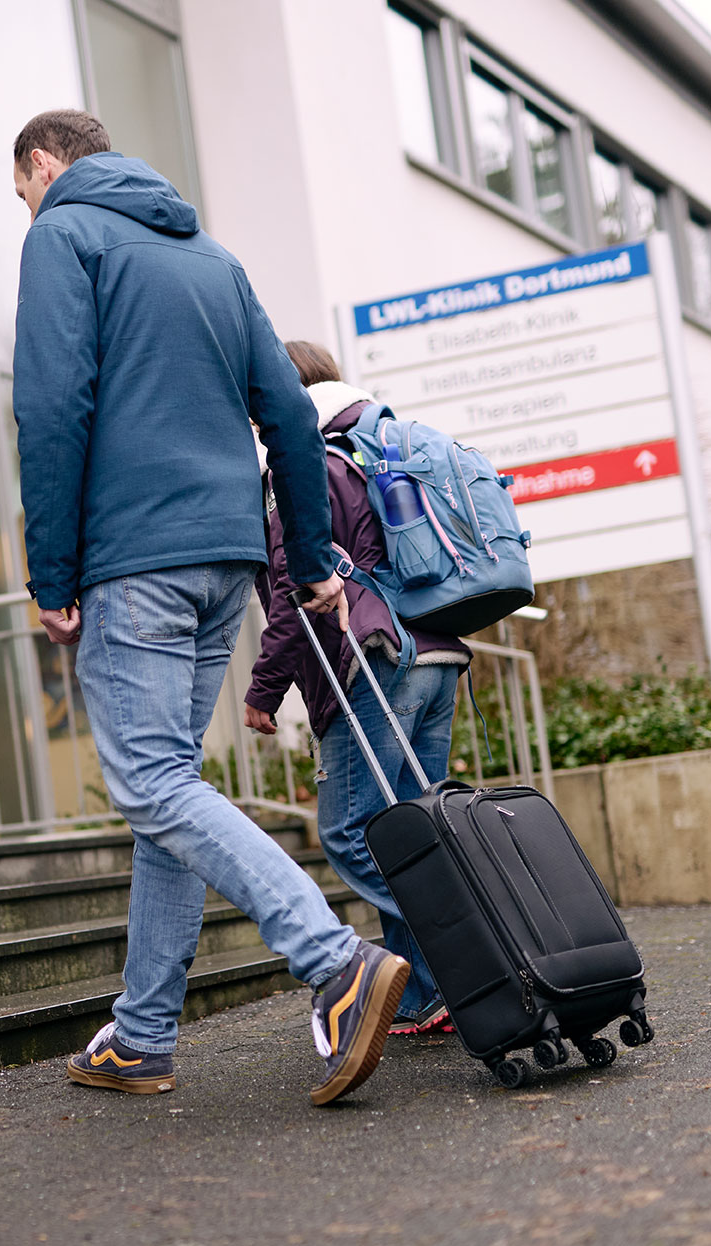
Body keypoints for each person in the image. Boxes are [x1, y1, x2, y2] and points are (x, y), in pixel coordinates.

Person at [10, 108, 408, 1106]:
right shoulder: (214, 259)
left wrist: (51, 574)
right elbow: (291, 414)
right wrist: (307, 558)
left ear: (43, 165)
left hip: (134, 555)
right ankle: (141, 1035)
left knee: (150, 782)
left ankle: (335, 960)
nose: (26, 208)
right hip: (226, 557)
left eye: (22, 191)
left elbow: (52, 406)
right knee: (170, 790)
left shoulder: (64, 234)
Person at [246, 340, 471, 1035]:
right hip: (434, 653)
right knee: (413, 829)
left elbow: (293, 590)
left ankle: (469, 939)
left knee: (351, 832)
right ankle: (432, 993)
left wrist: (263, 690)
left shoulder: (301, 462)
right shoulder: (373, 445)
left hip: (375, 660)